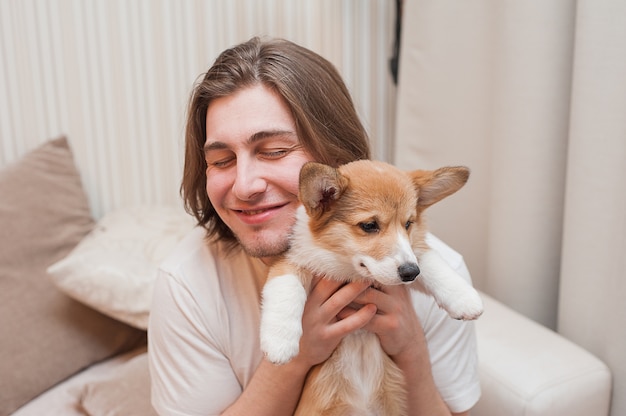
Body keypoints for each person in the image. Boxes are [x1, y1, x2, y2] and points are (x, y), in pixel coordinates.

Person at [148, 36, 481, 416]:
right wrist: (297, 358)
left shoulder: (436, 273)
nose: (244, 185)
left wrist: (410, 348)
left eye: (274, 151)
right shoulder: (186, 284)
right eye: (222, 160)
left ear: (335, 156)